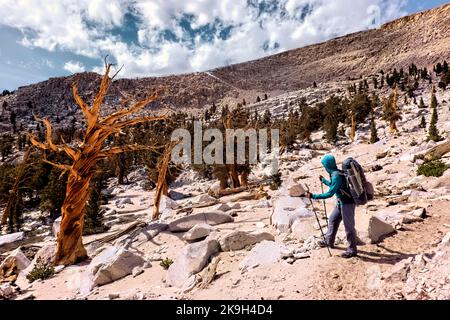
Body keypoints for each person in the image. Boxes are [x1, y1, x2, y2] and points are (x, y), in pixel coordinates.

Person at [303, 154, 358, 258]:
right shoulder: (336, 173)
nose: (324, 167)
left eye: (324, 165)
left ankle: (352, 250)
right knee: (333, 220)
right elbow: (335, 186)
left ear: (327, 165)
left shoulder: (336, 175)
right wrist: (324, 181)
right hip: (341, 202)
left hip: (347, 203)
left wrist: (313, 196)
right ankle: (329, 241)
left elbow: (330, 193)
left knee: (349, 227)